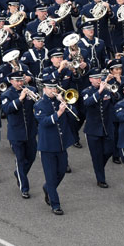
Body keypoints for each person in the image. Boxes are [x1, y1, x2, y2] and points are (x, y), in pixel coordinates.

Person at [34, 79, 75, 215]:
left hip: (61, 144)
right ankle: (55, 204)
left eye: (55, 88)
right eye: (50, 88)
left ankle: (48, 188)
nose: (53, 91)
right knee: (51, 176)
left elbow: (74, 116)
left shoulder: (60, 101)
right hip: (48, 146)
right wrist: (58, 113)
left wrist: (66, 103)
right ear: (44, 89)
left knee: (62, 171)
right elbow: (44, 121)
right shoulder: (39, 104)